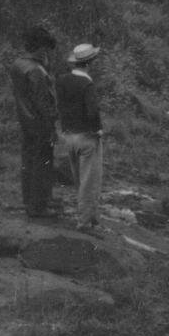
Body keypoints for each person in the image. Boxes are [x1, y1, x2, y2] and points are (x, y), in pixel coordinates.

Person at [10, 25, 60, 219]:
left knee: (28, 161)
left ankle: (29, 201)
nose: (48, 53)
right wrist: (52, 126)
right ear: (41, 48)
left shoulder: (17, 65)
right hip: (40, 123)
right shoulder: (37, 71)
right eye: (47, 48)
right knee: (42, 165)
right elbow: (44, 103)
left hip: (25, 120)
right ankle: (39, 207)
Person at [57, 43, 104, 232]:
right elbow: (92, 112)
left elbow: (60, 106)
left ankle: (91, 217)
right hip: (86, 137)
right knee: (89, 182)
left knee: (79, 180)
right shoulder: (87, 84)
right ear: (89, 62)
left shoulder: (61, 80)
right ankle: (85, 222)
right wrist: (97, 130)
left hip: (69, 135)